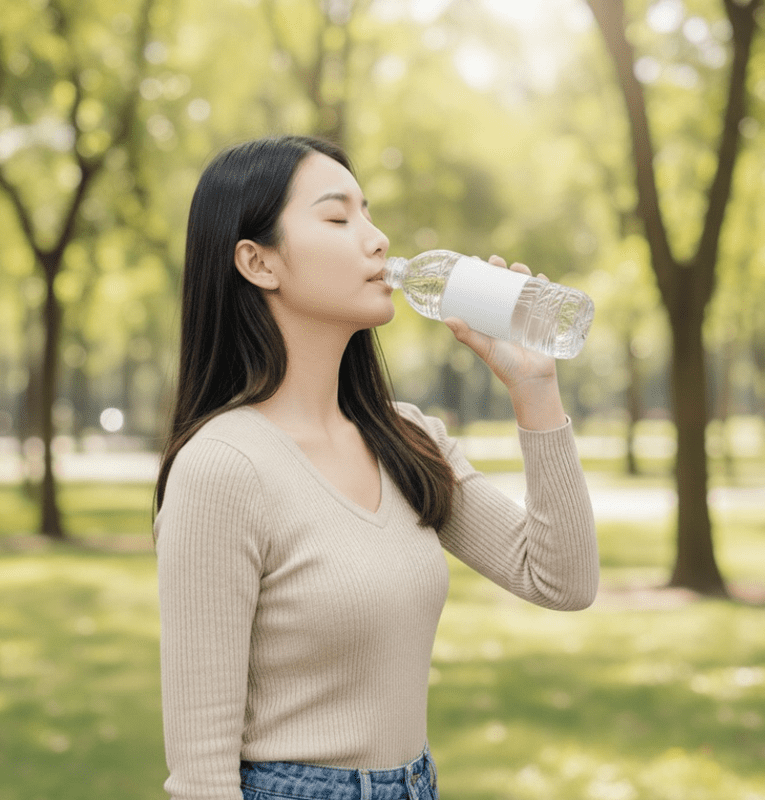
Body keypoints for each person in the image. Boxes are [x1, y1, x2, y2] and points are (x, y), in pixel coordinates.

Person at [153, 135, 598, 800]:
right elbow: (201, 775)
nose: (378, 239)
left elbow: (562, 580)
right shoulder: (222, 469)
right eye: (338, 219)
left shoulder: (406, 438)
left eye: (369, 213)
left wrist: (534, 389)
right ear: (258, 262)